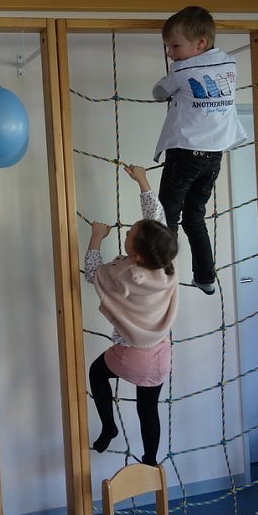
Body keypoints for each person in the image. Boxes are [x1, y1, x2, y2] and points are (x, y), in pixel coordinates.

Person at [85, 164, 178, 464]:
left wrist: (97, 237)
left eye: (130, 234)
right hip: (160, 354)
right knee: (147, 408)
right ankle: (150, 459)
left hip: (132, 352)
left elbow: (92, 274)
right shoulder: (166, 266)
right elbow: (157, 221)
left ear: (136, 255)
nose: (130, 229)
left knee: (97, 374)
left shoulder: (125, 273)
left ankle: (109, 426)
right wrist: (143, 181)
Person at [152, 6, 246, 295]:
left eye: (175, 45)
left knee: (166, 214)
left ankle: (161, 273)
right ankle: (205, 277)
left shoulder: (183, 69)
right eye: (168, 46)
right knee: (195, 216)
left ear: (201, 43)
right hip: (214, 157)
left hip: (185, 154)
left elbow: (158, 93)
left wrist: (169, 83)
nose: (170, 53)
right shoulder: (229, 65)